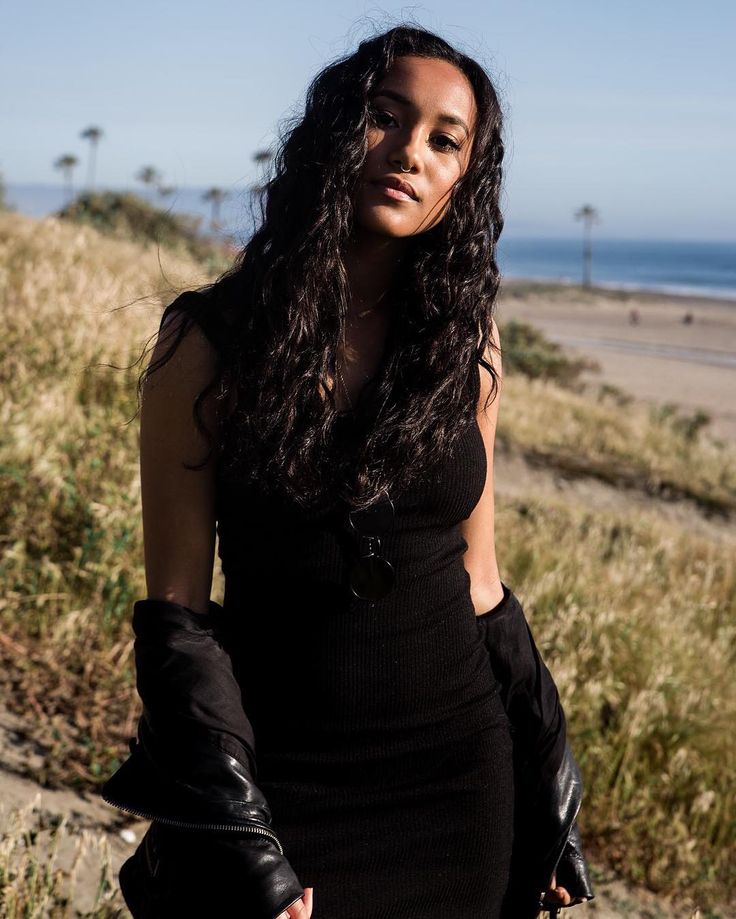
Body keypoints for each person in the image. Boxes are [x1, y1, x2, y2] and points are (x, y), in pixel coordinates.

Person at [103, 24, 593, 919]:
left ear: (463, 183)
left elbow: (481, 583)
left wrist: (547, 770)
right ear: (336, 131)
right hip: (290, 782)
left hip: (459, 778)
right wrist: (243, 835)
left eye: (446, 140)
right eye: (383, 117)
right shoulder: (205, 344)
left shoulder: (466, 347)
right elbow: (177, 617)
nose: (410, 151)